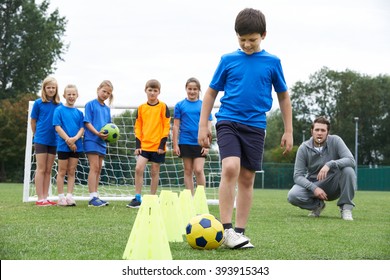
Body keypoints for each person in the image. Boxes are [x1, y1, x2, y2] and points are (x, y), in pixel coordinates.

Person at [198, 8, 293, 249]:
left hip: (256, 126)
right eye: (242, 40)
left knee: (247, 178)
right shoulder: (228, 60)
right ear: (236, 37)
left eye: (252, 39)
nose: (247, 44)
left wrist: (288, 130)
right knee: (230, 167)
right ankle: (226, 229)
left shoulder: (273, 63)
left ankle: (239, 232)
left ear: (263, 35)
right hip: (228, 120)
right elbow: (210, 93)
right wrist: (203, 124)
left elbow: (283, 97)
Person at [287, 116, 356, 221]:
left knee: (348, 170)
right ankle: (317, 206)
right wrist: (314, 188)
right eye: (317, 130)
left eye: (323, 130)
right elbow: (297, 176)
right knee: (292, 195)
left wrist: (330, 164)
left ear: (327, 132)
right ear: (312, 131)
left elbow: (351, 160)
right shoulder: (303, 148)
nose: (319, 133)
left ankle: (346, 209)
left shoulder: (336, 141)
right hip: (314, 184)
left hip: (334, 183)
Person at [127, 79, 171, 208]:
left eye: (155, 90)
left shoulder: (163, 106)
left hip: (158, 146)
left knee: (154, 171)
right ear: (145, 90)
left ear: (159, 92)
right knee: (138, 168)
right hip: (144, 145)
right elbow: (138, 127)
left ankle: (152, 198)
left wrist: (162, 144)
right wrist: (138, 145)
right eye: (150, 90)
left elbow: (166, 126)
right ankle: (137, 198)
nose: (152, 93)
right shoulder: (141, 108)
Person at [172, 78, 212, 195]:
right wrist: (175, 145)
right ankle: (190, 198)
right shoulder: (180, 105)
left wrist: (207, 145)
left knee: (199, 170)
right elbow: (175, 126)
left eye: (195, 89)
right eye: (190, 89)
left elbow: (209, 126)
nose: (192, 91)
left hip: (200, 142)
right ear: (186, 89)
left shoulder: (204, 105)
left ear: (199, 90)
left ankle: (201, 198)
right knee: (188, 170)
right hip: (185, 141)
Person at [30, 76, 62, 206]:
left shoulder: (59, 105)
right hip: (41, 139)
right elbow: (33, 120)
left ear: (56, 89)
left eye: (53, 88)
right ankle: (40, 198)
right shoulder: (38, 103)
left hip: (54, 140)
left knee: (49, 170)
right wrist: (36, 134)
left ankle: (46, 197)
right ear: (44, 89)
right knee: (41, 169)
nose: (51, 90)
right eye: (48, 87)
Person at [53, 84, 84, 206]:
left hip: (76, 145)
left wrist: (75, 139)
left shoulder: (79, 113)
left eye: (73, 94)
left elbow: (82, 128)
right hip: (63, 145)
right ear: (64, 95)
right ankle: (61, 197)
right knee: (62, 171)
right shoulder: (59, 110)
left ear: (77, 96)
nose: (71, 96)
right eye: (69, 94)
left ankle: (69, 196)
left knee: (72, 171)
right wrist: (68, 140)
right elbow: (57, 127)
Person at [83, 80, 114, 207]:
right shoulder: (90, 105)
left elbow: (109, 126)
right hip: (91, 139)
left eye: (108, 93)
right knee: (94, 167)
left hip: (102, 142)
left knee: (99, 169)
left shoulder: (107, 109)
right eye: (104, 91)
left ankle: (96, 195)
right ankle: (92, 197)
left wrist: (108, 136)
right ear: (98, 90)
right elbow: (87, 122)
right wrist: (97, 133)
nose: (105, 94)